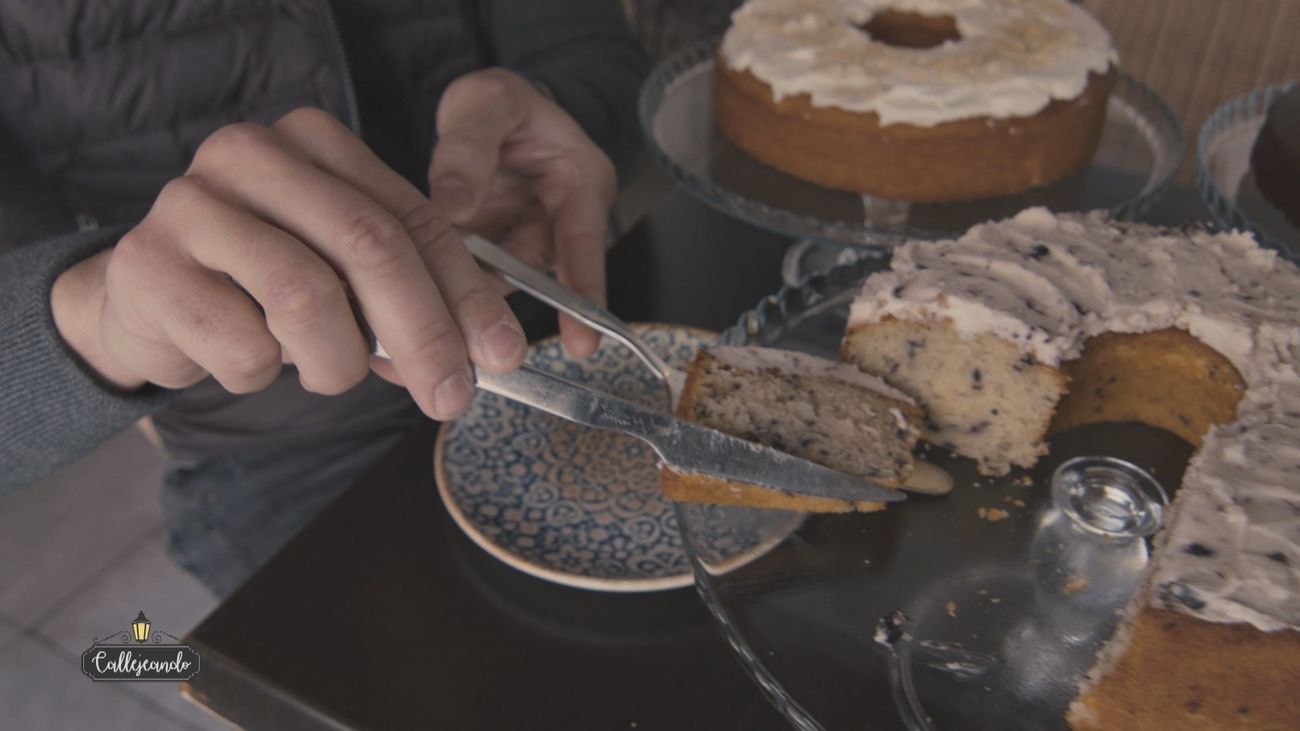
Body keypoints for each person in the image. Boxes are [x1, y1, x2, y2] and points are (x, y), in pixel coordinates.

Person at [0, 0, 648, 596]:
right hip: (276, 442)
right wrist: (96, 310)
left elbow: (581, 37)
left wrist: (567, 102)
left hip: (547, 326)